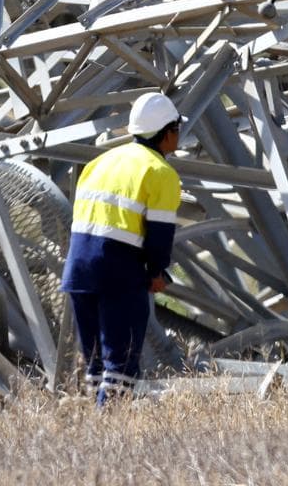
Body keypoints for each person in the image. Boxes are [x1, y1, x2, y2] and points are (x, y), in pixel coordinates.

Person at [60, 92, 184, 405]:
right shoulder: (160, 172)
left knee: (97, 368)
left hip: (78, 272)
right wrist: (156, 272)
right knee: (121, 366)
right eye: (178, 128)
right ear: (167, 132)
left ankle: (94, 434)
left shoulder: (99, 162)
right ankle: (109, 439)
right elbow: (159, 234)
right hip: (118, 273)